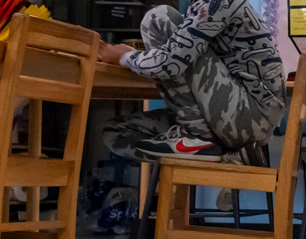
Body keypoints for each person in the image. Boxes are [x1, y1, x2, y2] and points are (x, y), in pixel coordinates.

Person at [98, 0, 285, 162]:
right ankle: (214, 150)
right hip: (237, 119)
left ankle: (199, 139)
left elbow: (171, 63)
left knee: (158, 18)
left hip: (250, 119)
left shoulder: (217, 3)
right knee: (114, 132)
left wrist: (124, 57)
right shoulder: (198, 9)